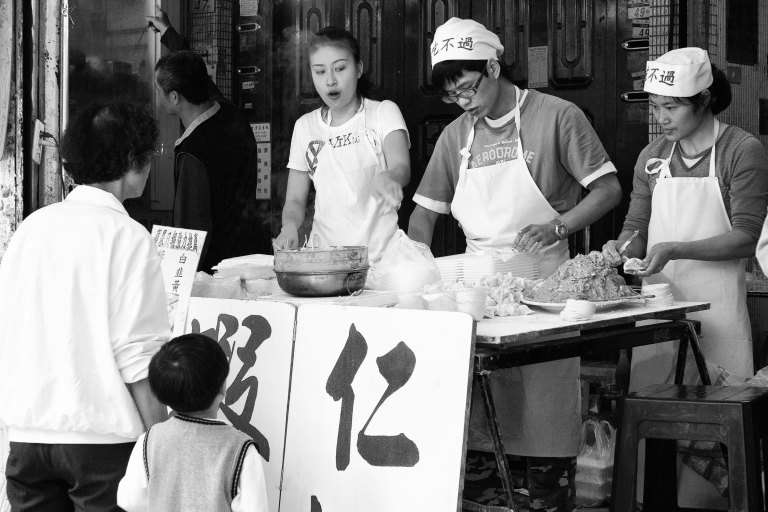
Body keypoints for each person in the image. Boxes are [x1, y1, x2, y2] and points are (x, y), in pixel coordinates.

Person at [408, 18, 622, 511]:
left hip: (546, 292)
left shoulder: (556, 116)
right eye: (452, 95)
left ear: (493, 65)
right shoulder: (455, 137)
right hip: (478, 298)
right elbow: (424, 213)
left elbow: (608, 189)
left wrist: (559, 226)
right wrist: (414, 261)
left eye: (468, 87)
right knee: (479, 438)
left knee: (545, 433)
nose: (463, 102)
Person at [0, 102, 170, 510]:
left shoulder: (32, 227)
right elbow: (137, 353)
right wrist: (163, 442)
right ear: (133, 160)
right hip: (102, 444)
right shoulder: (127, 236)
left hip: (28, 437)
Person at [603, 47, 768, 388]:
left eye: (671, 107)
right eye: (654, 107)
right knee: (655, 413)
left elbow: (747, 237)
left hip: (720, 313)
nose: (660, 118)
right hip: (658, 309)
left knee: (718, 417)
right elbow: (636, 230)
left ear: (704, 99)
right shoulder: (652, 156)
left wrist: (674, 249)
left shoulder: (740, 149)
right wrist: (619, 249)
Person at [273, 26, 411, 264]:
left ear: (358, 69)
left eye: (339, 68)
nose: (330, 80)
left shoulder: (383, 113)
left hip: (383, 260)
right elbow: (295, 200)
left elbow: (401, 167)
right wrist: (289, 227)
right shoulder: (305, 127)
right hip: (327, 263)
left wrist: (391, 178)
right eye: (319, 71)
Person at [148, 10, 262, 273]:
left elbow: (192, 232)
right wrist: (169, 35)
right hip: (251, 257)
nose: (158, 96)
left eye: (159, 91)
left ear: (175, 98)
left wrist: (180, 282)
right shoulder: (231, 113)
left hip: (218, 273)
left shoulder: (193, 153)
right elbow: (198, 75)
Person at [117, 333, 269, 512]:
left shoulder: (149, 441)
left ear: (162, 394)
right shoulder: (241, 449)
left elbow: (130, 501)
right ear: (223, 387)